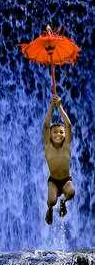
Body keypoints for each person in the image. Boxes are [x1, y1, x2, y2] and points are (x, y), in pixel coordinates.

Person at [43, 95, 74, 224]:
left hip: (66, 180)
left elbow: (68, 125)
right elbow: (46, 125)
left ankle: (63, 202)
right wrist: (51, 105)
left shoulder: (66, 145)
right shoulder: (47, 145)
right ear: (49, 134)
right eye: (55, 132)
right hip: (54, 181)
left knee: (71, 192)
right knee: (51, 200)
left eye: (61, 132)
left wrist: (59, 106)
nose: (58, 134)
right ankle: (50, 209)